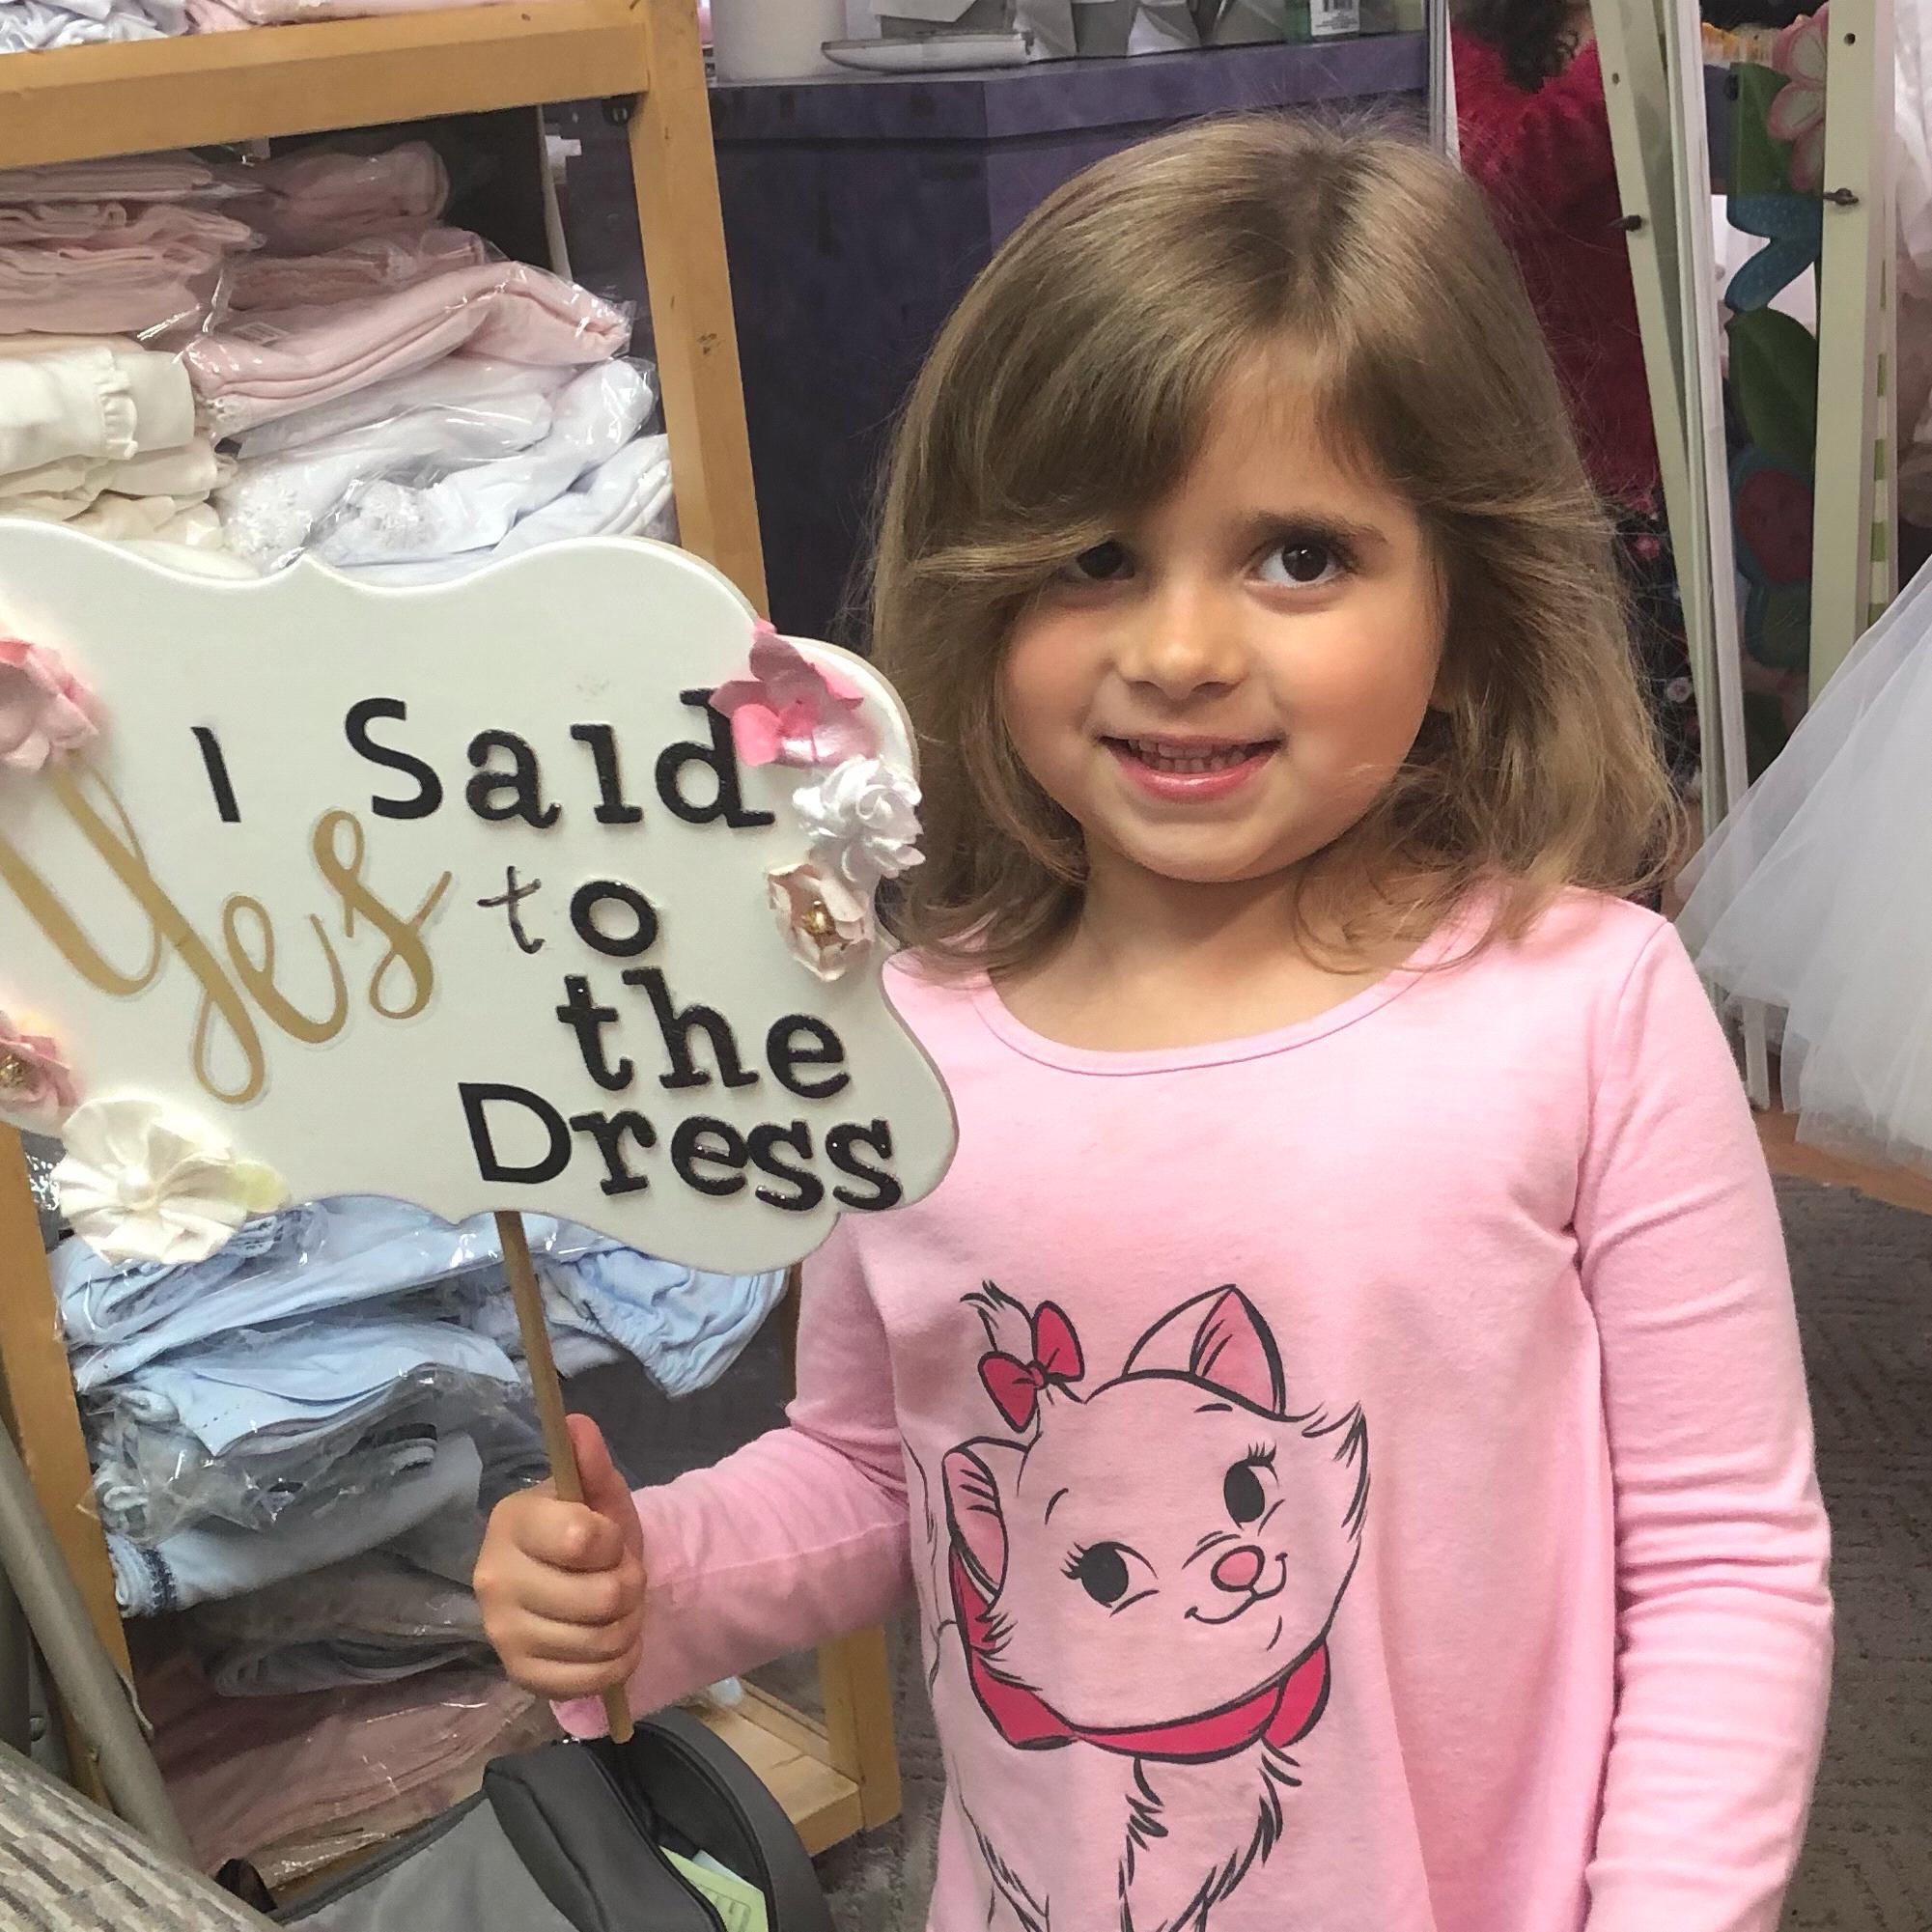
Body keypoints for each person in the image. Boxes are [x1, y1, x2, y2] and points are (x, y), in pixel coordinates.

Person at [475, 120, 1832, 1931]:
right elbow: (879, 1472)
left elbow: (1725, 1561)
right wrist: (658, 1573)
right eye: (1097, 557)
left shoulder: (1585, 1008)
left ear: (1464, 587)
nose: (1181, 650)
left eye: (1299, 555)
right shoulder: (908, 1035)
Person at [1451, 0, 1702, 795]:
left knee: (1663, 731)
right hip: (1542, 444)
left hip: (1645, 421)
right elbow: (1499, 178)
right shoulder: (1461, 41)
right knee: (1556, 718)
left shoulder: (1622, 29)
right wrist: (1620, 61)